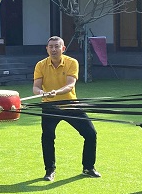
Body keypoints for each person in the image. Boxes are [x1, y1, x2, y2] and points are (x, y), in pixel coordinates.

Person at [34, 36, 99, 181]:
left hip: (71, 105)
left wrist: (56, 92)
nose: (54, 49)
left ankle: (88, 168)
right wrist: (41, 93)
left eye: (57, 46)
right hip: (49, 107)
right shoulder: (40, 65)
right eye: (51, 46)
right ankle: (49, 170)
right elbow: (36, 87)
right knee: (47, 137)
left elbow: (70, 85)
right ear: (47, 49)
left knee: (90, 134)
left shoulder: (72, 62)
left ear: (63, 48)